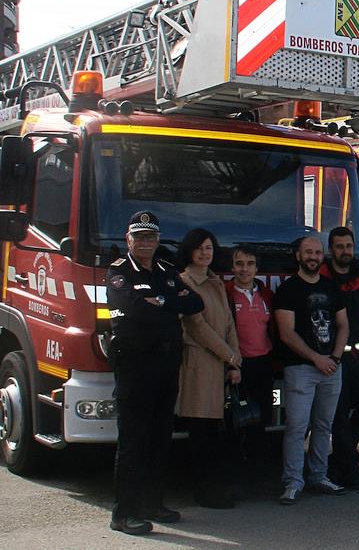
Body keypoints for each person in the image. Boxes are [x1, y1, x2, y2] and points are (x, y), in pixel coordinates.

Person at [107, 211, 204, 535]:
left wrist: (158, 300)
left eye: (151, 237)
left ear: (158, 240)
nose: (146, 242)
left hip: (166, 364)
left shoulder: (165, 270)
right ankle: (123, 513)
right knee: (134, 441)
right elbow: (133, 309)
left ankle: (152, 503)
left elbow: (195, 304)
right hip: (135, 365)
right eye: (139, 237)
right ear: (128, 240)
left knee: (160, 438)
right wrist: (169, 302)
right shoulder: (119, 272)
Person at [274, 235, 350, 505]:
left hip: (332, 368)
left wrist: (335, 358)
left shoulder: (331, 287)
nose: (313, 257)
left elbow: (343, 325)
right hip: (301, 370)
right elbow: (286, 333)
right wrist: (317, 359)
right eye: (308, 252)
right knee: (296, 427)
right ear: (298, 255)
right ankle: (293, 481)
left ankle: (319, 476)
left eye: (318, 253)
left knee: (323, 425)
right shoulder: (287, 290)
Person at [176, 229, 241, 509]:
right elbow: (197, 326)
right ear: (189, 251)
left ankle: (216, 487)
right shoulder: (184, 282)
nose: (205, 253)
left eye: (209, 248)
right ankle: (204, 491)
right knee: (200, 434)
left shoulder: (215, 282)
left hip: (220, 364)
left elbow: (228, 322)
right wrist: (229, 355)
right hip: (199, 364)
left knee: (216, 434)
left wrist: (235, 356)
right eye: (200, 248)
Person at [320, 227, 359, 489]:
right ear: (331, 249)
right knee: (339, 416)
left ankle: (341, 456)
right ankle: (349, 470)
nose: (345, 251)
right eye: (339, 246)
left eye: (348, 246)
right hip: (334, 357)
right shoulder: (322, 279)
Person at [224, 245, 277, 492]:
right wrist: (231, 365)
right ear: (232, 267)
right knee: (236, 424)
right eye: (239, 263)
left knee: (261, 422)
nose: (244, 269)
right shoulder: (225, 295)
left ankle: (261, 478)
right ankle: (236, 479)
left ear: (257, 268)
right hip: (237, 368)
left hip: (263, 366)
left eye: (250, 264)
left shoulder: (266, 294)